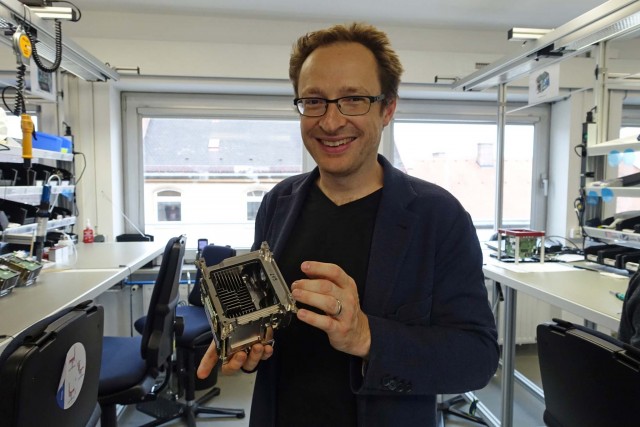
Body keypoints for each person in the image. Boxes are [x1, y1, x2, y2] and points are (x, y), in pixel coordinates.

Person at [197, 22, 499, 427]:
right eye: (315, 101)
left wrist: (366, 336)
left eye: (353, 99)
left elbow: (476, 359)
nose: (331, 122)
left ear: (387, 108)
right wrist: (248, 345)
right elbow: (266, 318)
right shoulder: (277, 204)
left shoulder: (438, 217)